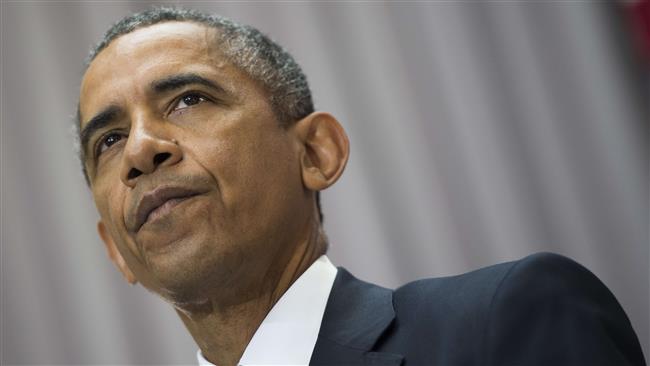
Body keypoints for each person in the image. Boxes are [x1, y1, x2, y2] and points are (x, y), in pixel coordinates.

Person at [77, 7, 646, 366]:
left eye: (189, 99)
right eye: (107, 140)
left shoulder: (502, 326)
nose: (139, 150)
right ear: (114, 250)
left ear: (316, 153)